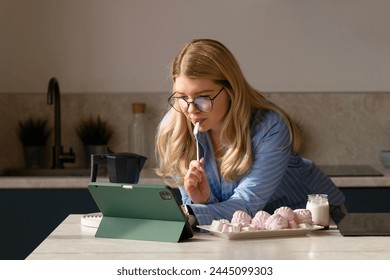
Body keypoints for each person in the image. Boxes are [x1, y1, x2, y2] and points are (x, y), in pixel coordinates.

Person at [155, 39, 346, 227]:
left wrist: (190, 212)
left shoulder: (270, 127)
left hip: (314, 223)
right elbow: (202, 217)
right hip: (248, 230)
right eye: (182, 97)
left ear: (231, 89)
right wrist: (202, 201)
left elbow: (247, 206)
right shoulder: (174, 130)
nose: (191, 110)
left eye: (203, 97)